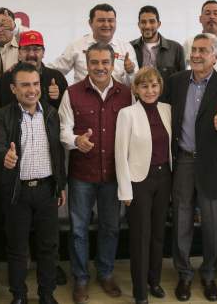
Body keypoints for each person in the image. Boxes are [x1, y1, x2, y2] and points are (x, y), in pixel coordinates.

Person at [162, 33, 217, 302]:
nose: (196, 55)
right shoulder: (175, 82)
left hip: (213, 165)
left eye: (203, 51)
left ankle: (208, 274)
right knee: (181, 222)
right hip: (182, 160)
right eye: (194, 49)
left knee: (211, 225)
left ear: (216, 57)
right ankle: (184, 274)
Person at [58, 42, 132, 303]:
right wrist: (76, 140)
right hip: (82, 175)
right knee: (78, 229)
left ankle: (106, 272)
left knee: (111, 228)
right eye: (94, 63)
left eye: (105, 63)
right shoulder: (72, 93)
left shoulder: (127, 93)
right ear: (86, 64)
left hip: (114, 175)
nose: (100, 68)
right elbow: (63, 129)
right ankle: (80, 278)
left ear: (114, 64)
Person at [0, 62, 67, 304]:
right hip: (17, 193)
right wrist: (6, 157)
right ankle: (19, 296)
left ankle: (46, 294)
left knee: (48, 248)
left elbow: (58, 153)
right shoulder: (2, 116)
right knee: (17, 250)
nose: (31, 90)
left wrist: (60, 184)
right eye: (24, 85)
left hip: (47, 191)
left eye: (35, 84)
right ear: (14, 89)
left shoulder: (52, 114)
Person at [115, 66, 172, 304]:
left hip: (164, 178)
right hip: (139, 181)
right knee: (141, 237)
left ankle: (154, 281)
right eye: (145, 86)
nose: (150, 90)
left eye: (154, 85)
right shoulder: (127, 114)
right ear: (135, 89)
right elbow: (120, 154)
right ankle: (140, 292)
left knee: (158, 234)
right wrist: (125, 190)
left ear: (160, 87)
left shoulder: (167, 109)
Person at [50, 3, 137, 85]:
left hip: (117, 99)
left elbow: (136, 83)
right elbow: (53, 71)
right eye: (101, 20)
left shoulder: (126, 48)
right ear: (90, 23)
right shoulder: (76, 46)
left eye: (110, 20)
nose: (106, 24)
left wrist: (130, 72)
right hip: (83, 98)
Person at [0, 30, 68, 112]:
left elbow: (67, 114)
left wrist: (58, 98)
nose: (31, 54)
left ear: (43, 53)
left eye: (36, 49)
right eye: (26, 49)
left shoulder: (57, 78)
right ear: (19, 53)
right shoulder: (4, 81)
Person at [130, 5, 186, 83]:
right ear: (138, 25)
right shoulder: (129, 48)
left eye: (152, 21)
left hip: (168, 95)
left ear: (159, 24)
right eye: (143, 22)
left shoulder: (176, 48)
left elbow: (183, 80)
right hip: (137, 95)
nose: (147, 26)